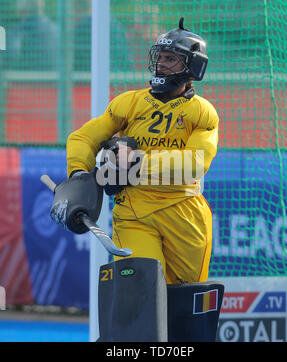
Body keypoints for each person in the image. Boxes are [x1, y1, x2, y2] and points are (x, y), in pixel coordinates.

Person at [60, 17, 219, 286]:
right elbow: (83, 137)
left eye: (171, 59)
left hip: (184, 213)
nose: (161, 64)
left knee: (183, 297)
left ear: (193, 67)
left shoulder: (202, 112)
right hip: (133, 212)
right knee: (141, 289)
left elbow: (196, 163)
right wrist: (78, 174)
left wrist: (136, 163)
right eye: (160, 57)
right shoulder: (127, 102)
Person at [5, 0, 58, 70]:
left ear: (21, 8)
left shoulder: (15, 33)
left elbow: (8, 62)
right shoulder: (59, 32)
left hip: (23, 79)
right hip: (57, 80)